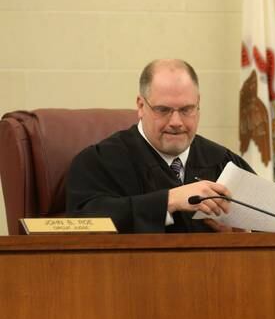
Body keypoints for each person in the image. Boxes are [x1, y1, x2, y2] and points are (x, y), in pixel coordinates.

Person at [66, 59, 255, 233]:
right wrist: (168, 201)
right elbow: (82, 222)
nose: (176, 121)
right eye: (163, 110)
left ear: (198, 105)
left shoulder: (223, 163)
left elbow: (273, 227)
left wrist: (237, 234)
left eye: (186, 109)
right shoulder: (100, 162)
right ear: (141, 106)